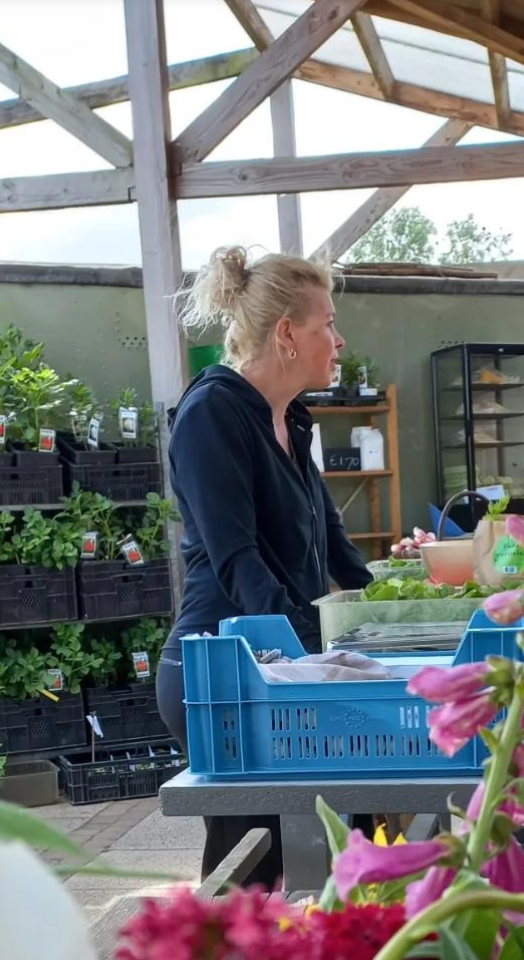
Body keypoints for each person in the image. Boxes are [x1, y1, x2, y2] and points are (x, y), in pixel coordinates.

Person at [156, 246, 373, 885]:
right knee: (255, 865)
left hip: (284, 668)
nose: (338, 338)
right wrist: (310, 654)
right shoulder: (210, 415)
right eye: (326, 323)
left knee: (340, 837)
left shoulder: (292, 420)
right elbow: (237, 561)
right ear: (286, 334)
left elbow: (332, 543)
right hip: (222, 679)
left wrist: (390, 606)